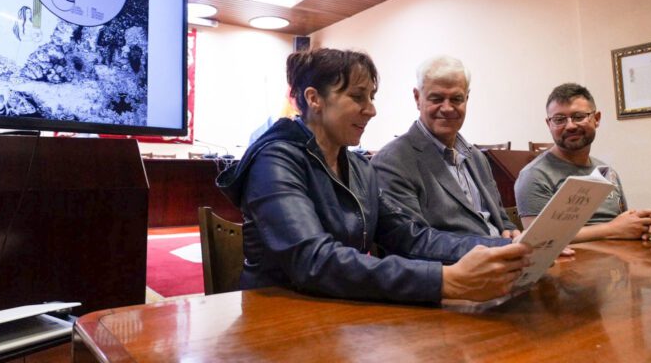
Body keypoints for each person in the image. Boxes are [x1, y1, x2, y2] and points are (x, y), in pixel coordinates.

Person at [216, 48, 530, 304]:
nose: (371, 110)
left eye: (372, 98)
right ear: (314, 99)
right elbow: (314, 260)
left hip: (336, 305)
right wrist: (443, 280)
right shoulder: (275, 159)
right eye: (358, 97)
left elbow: (409, 236)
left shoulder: (358, 167)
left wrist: (498, 249)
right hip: (279, 315)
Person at [372, 55, 519, 239]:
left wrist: (511, 233)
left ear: (467, 98)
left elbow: (501, 219)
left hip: (504, 260)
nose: (447, 108)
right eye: (437, 98)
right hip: (457, 265)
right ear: (417, 98)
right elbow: (412, 241)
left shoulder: (477, 157)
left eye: (456, 99)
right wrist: (495, 248)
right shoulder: (392, 161)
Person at [514, 83, 651, 242]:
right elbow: (537, 239)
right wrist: (612, 229)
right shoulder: (534, 175)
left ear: (596, 119)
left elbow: (622, 222)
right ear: (549, 125)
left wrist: (639, 224)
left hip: (619, 260)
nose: (569, 126)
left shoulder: (606, 172)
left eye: (578, 116)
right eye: (559, 119)